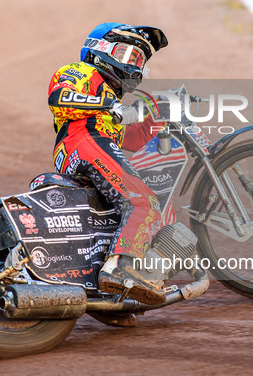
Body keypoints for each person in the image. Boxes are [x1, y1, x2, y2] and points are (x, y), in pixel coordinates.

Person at [47, 23, 168, 306]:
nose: (133, 66)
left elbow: (134, 138)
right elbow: (59, 98)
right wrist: (107, 104)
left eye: (138, 61)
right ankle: (120, 270)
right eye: (127, 56)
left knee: (112, 220)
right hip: (85, 141)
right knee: (143, 202)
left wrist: (161, 117)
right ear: (101, 50)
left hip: (91, 146)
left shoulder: (111, 107)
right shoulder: (80, 72)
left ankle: (111, 297)